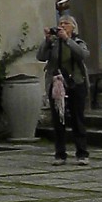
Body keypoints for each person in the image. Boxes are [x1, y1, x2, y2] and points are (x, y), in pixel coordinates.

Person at [39, 13, 92, 165]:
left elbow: (83, 54)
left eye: (66, 24)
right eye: (60, 23)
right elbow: (41, 56)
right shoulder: (54, 43)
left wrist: (67, 40)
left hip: (75, 83)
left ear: (73, 27)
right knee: (58, 120)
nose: (62, 26)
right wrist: (47, 40)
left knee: (77, 118)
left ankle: (82, 153)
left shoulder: (77, 41)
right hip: (57, 84)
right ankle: (60, 154)